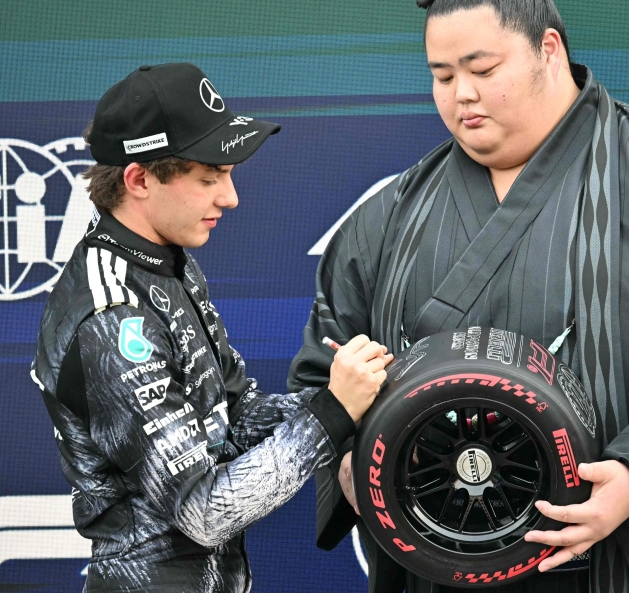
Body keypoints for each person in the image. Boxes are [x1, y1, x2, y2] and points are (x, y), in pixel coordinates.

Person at [288, 0, 629, 593]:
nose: (460, 94)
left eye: (481, 67)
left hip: (618, 561)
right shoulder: (388, 216)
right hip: (449, 558)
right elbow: (324, 370)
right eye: (442, 76)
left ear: (548, 49)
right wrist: (350, 463)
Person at [32, 63, 393, 593]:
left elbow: (236, 418)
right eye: (209, 178)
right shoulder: (112, 318)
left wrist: (369, 397)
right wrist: (332, 412)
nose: (230, 197)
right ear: (138, 179)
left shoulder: (167, 260)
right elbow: (205, 512)